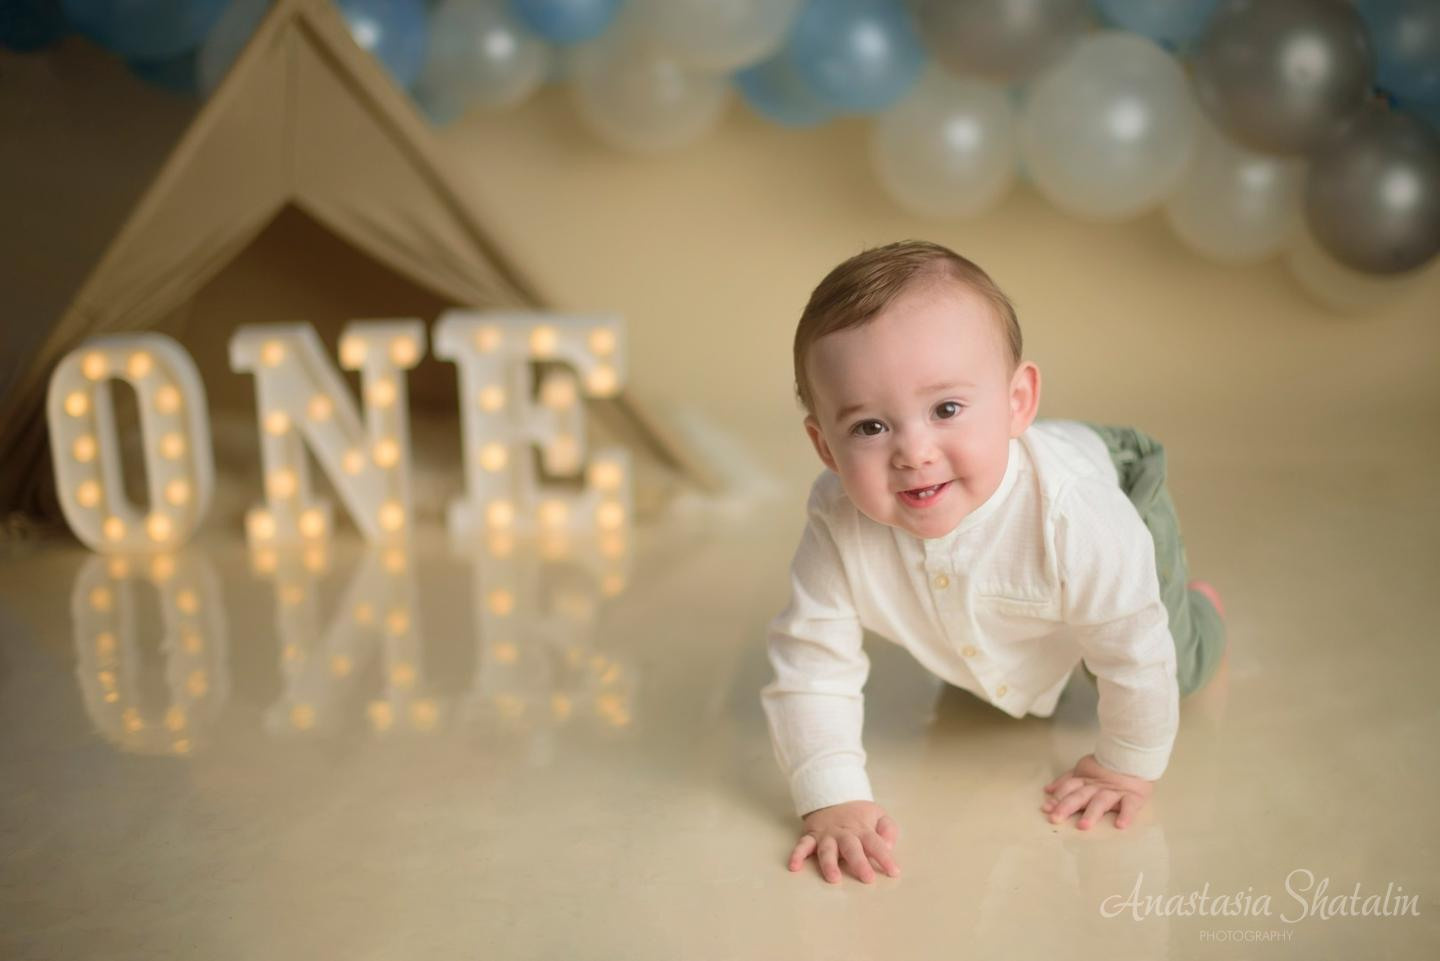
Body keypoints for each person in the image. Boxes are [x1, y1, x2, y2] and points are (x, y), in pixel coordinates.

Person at [761, 240, 1228, 886]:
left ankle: (1201, 609)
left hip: (1115, 486)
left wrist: (1125, 766)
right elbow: (812, 664)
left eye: (946, 409)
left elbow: (1134, 653)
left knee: (1177, 663)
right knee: (981, 677)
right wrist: (832, 795)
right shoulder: (837, 520)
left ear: (1017, 402)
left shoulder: (1081, 516)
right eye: (870, 427)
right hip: (1009, 555)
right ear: (825, 447)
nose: (914, 452)